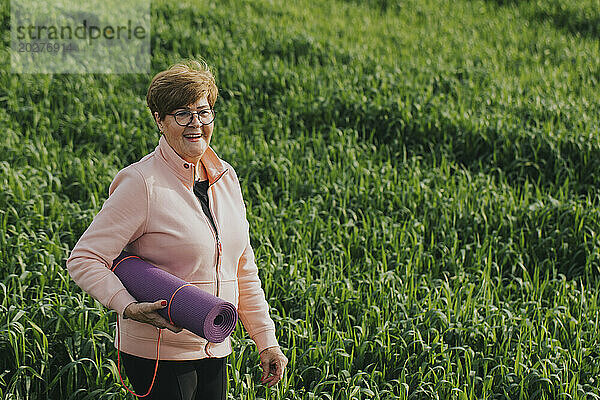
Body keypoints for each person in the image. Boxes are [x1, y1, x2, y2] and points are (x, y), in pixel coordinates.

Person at [66, 60, 288, 399]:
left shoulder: (225, 178)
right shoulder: (141, 183)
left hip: (214, 341)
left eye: (203, 111)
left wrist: (265, 340)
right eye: (182, 113)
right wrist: (127, 305)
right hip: (158, 352)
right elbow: (84, 258)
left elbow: (242, 267)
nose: (195, 123)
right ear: (159, 119)